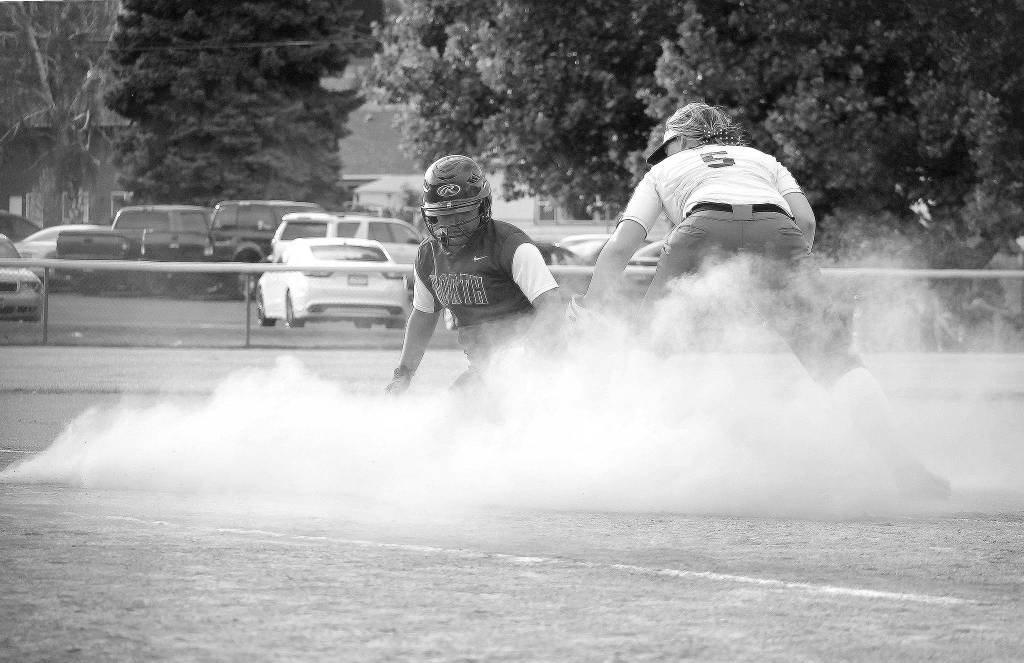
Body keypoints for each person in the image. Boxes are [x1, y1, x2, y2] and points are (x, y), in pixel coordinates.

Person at [572, 102, 950, 498]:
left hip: (699, 230)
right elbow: (806, 222)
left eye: (666, 147)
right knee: (834, 358)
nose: (665, 155)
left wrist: (589, 305)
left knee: (649, 349)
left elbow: (622, 246)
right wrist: (787, 281)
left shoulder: (663, 171)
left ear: (680, 141)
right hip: (778, 230)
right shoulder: (762, 160)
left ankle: (622, 465)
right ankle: (906, 468)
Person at [385, 154, 562, 394]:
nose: (452, 223)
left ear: (482, 206)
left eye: (463, 212)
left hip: (534, 366)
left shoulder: (511, 246)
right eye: (443, 214)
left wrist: (526, 358)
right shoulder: (429, 255)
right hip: (485, 368)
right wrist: (403, 374)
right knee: (453, 411)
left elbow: (551, 308)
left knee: (463, 408)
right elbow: (423, 316)